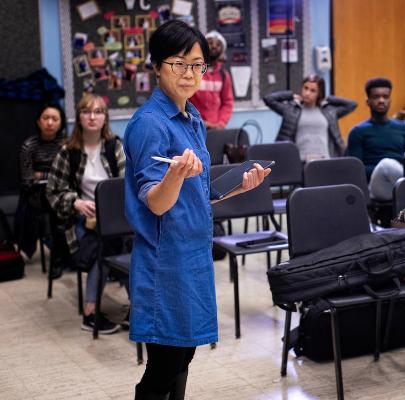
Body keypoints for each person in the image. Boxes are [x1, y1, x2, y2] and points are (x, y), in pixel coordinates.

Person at [123, 20, 271, 399]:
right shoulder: (149, 125)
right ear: (156, 66)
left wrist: (240, 187)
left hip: (192, 255)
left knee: (184, 355)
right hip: (164, 261)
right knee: (164, 365)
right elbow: (156, 202)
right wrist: (173, 177)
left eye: (197, 64)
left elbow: (197, 195)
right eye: (179, 63)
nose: (190, 74)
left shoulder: (192, 118)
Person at [46, 93, 124, 335]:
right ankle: (91, 313)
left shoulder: (114, 146)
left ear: (105, 118)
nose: (92, 117)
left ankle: (135, 309)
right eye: (87, 112)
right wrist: (76, 202)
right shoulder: (67, 153)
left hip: (113, 217)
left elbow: (125, 185)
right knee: (103, 246)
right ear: (78, 118)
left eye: (98, 112)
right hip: (78, 222)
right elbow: (52, 192)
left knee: (134, 242)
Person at [15, 103, 67, 275]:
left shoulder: (65, 144)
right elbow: (28, 180)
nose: (50, 123)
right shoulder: (29, 146)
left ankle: (66, 255)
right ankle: (56, 258)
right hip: (35, 195)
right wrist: (52, 175)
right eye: (46, 118)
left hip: (61, 192)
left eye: (55, 119)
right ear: (38, 121)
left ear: (61, 123)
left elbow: (69, 176)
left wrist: (42, 175)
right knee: (49, 212)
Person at [347, 77, 405, 200]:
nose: (381, 100)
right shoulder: (357, 131)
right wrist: (382, 169)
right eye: (376, 97)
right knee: (385, 165)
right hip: (376, 186)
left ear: (390, 100)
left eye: (385, 96)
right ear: (368, 101)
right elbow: (355, 170)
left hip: (400, 182)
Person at [264, 74, 357, 161]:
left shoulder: (329, 111)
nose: (307, 93)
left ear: (319, 93)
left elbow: (351, 104)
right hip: (299, 161)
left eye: (313, 90)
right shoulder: (291, 110)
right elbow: (268, 99)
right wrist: (291, 95)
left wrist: (327, 98)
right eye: (305, 88)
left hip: (325, 160)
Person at [188, 30, 234, 130]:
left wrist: (221, 123)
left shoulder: (224, 75)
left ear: (222, 50)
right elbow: (182, 99)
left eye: (218, 44)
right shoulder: (191, 70)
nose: (214, 46)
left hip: (215, 130)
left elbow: (227, 102)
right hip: (192, 127)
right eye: (210, 43)